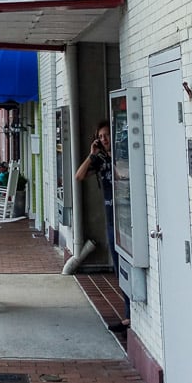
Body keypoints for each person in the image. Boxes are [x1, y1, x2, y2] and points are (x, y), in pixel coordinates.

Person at [75, 119, 131, 332]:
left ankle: (133, 315)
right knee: (119, 266)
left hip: (127, 213)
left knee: (129, 263)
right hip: (111, 217)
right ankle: (128, 313)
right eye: (100, 136)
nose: (104, 139)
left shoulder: (123, 154)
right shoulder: (98, 160)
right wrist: (92, 154)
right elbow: (79, 176)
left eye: (106, 135)